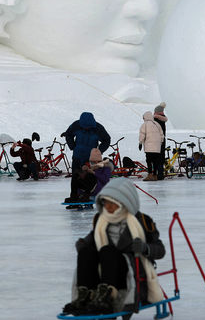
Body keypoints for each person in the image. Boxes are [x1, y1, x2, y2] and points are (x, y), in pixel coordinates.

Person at [62, 178, 165, 316]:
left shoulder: (141, 221)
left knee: (108, 251)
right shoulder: (101, 220)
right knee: (87, 252)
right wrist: (83, 244)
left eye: (113, 203)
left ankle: (108, 297)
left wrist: (145, 248)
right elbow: (92, 239)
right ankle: (85, 294)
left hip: (131, 271)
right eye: (105, 202)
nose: (108, 207)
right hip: (105, 267)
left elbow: (160, 249)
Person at [138, 112, 163, 182]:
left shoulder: (145, 125)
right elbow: (162, 135)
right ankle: (155, 175)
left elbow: (142, 135)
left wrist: (140, 143)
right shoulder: (157, 124)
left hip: (149, 147)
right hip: (157, 147)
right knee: (155, 162)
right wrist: (160, 143)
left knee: (149, 161)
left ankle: (150, 175)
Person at [153, 103, 167, 180]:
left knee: (155, 158)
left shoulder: (155, 120)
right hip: (162, 141)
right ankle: (160, 174)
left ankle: (156, 174)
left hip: (155, 141)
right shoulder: (163, 119)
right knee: (161, 157)